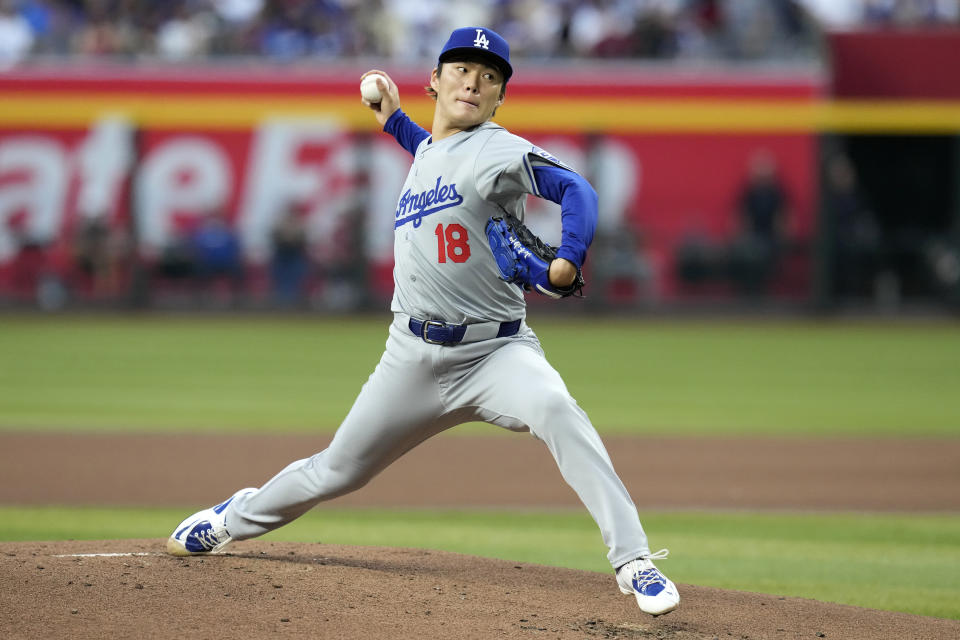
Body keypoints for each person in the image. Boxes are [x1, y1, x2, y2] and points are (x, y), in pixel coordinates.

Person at [165, 26, 679, 617]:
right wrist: (393, 119)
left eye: (489, 77)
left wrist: (567, 260)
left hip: (496, 354)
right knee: (336, 470)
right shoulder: (434, 148)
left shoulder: (498, 148)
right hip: (410, 354)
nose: (474, 82)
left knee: (559, 411)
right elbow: (432, 151)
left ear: (499, 98)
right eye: (461, 69)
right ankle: (234, 516)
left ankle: (634, 561)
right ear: (435, 79)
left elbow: (576, 189)